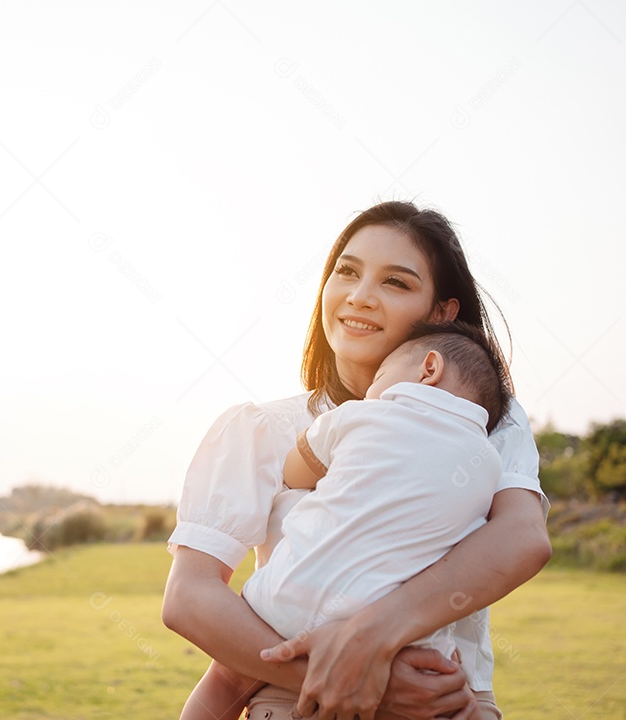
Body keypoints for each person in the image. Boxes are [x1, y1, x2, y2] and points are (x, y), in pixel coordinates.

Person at [163, 201, 551, 720]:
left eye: (395, 282)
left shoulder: (483, 420)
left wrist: (375, 634)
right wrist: (344, 677)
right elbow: (189, 597)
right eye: (346, 272)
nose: (360, 296)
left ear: (442, 313)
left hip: (444, 701)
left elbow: (523, 537)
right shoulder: (262, 428)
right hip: (294, 700)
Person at [180, 321, 512, 720]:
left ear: (429, 368)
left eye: (382, 375)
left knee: (226, 680)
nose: (373, 389)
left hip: (293, 595)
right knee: (447, 696)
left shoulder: (361, 415)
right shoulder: (489, 463)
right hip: (401, 632)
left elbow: (296, 471)